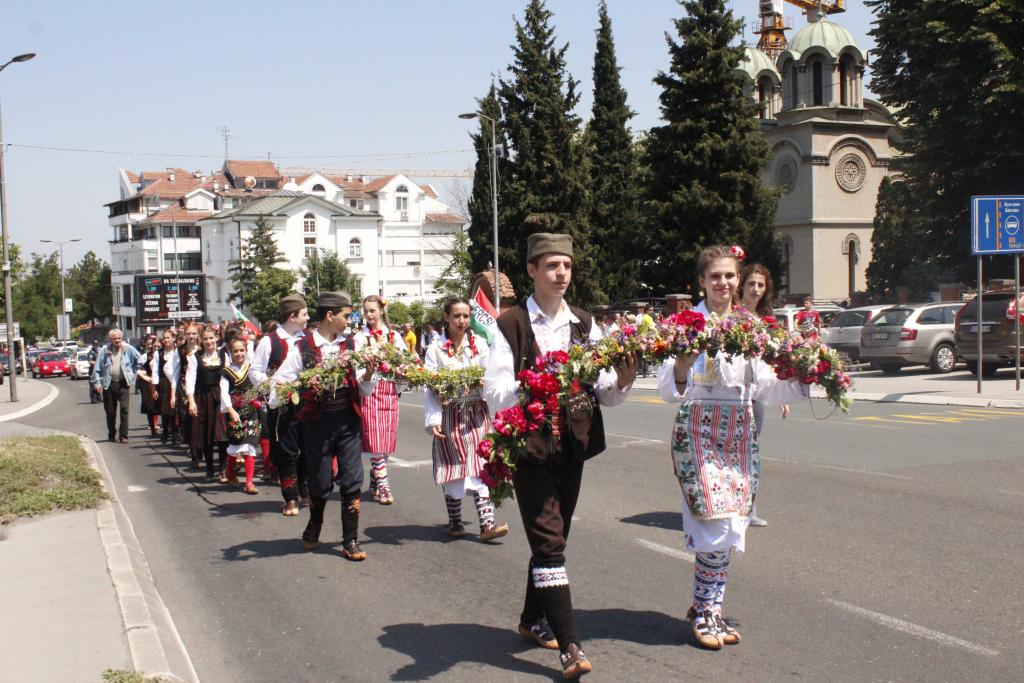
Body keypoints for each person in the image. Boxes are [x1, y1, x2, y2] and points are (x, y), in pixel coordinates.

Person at [483, 233, 638, 679]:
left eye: (566, 266)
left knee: (553, 535)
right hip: (529, 446)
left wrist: (623, 380)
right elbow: (494, 394)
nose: (561, 273)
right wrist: (536, 380)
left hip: (572, 444)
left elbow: (605, 393)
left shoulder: (585, 325)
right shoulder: (510, 324)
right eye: (552, 265)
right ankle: (570, 645)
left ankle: (532, 619)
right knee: (549, 541)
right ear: (532, 270)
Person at [658, 245, 808, 651]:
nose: (723, 283)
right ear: (702, 282)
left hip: (740, 434)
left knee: (732, 524)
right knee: (713, 521)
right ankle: (707, 611)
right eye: (715, 277)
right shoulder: (686, 325)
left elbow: (763, 385)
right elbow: (666, 390)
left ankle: (707, 607)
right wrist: (683, 366)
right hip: (699, 432)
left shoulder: (751, 328)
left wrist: (807, 379)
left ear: (737, 280)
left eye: (729, 276)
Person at [270, 291, 376, 561]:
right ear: (330, 315)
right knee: (320, 482)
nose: (349, 320)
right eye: (346, 315)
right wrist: (293, 386)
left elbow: (363, 388)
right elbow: (279, 383)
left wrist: (369, 373)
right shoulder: (303, 347)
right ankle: (315, 523)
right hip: (318, 425)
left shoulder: (351, 345)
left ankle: (350, 539)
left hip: (348, 422)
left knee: (353, 478)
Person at [424, 297, 508, 541]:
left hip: (477, 414)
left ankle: (487, 525)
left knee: (481, 466)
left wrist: (485, 383)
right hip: (450, 414)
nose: (462, 321)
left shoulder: (480, 344)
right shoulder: (435, 349)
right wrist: (433, 419)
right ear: (446, 318)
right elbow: (430, 385)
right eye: (457, 316)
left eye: (465, 316)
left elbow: (490, 376)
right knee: (453, 467)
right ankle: (455, 521)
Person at [738, 263, 790, 528]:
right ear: (742, 286)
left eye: (760, 285)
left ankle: (749, 507)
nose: (756, 289)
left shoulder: (766, 321)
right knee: (735, 449)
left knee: (752, 448)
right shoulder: (732, 317)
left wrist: (779, 395)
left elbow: (771, 362)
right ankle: (733, 504)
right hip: (734, 393)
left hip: (758, 393)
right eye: (751, 284)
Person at [249, 292, 309, 516]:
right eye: (304, 314)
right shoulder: (269, 341)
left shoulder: (307, 339)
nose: (307, 317)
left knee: (308, 449)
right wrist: (275, 385)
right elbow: (255, 371)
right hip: (282, 405)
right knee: (287, 452)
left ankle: (303, 487)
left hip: (306, 403)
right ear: (292, 316)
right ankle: (291, 498)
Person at [356, 295, 402, 506]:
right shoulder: (360, 337)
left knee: (386, 442)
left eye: (372, 310)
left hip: (389, 389)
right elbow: (356, 364)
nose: (368, 315)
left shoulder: (393, 336)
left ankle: (375, 480)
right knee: (375, 439)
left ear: (381, 310)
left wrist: (401, 369)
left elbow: (404, 360)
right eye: (366, 311)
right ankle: (384, 486)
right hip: (370, 389)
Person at [186, 325, 227, 480]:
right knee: (207, 434)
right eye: (205, 339)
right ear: (201, 341)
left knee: (222, 434)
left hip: (221, 395)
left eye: (211, 338)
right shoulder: (195, 357)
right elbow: (190, 379)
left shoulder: (223, 355)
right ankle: (210, 468)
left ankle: (222, 468)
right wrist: (191, 402)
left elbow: (229, 376)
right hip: (202, 396)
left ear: (216, 338)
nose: (209, 341)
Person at [221, 337, 260, 495]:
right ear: (231, 353)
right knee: (236, 444)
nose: (239, 353)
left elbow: (259, 386)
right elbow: (223, 392)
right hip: (234, 413)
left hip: (250, 413)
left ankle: (249, 482)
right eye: (235, 351)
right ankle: (230, 473)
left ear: (246, 351)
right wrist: (230, 410)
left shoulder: (252, 369)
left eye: (241, 350)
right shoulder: (226, 372)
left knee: (249, 445)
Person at [91, 329, 142, 443]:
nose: (117, 340)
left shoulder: (127, 348)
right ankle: (111, 433)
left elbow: (140, 359)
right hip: (109, 384)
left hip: (123, 383)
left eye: (119, 338)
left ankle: (124, 435)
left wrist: (133, 371)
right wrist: (97, 383)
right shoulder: (104, 350)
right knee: (110, 412)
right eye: (115, 338)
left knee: (124, 410)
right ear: (110, 340)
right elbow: (97, 369)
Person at [152, 329, 181, 446]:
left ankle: (175, 435)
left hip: (176, 382)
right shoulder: (158, 353)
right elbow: (155, 371)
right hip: (164, 383)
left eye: (168, 337)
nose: (166, 340)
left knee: (175, 410)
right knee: (165, 410)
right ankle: (165, 432)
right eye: (164, 338)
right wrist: (154, 388)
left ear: (173, 338)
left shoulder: (177, 351)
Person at [136, 334, 160, 437]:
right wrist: (145, 377)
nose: (151, 346)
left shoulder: (162, 354)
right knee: (151, 407)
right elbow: (139, 369)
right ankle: (153, 429)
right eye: (149, 344)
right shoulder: (145, 356)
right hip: (148, 384)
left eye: (153, 344)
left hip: (160, 382)